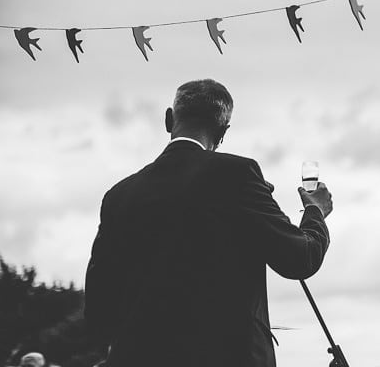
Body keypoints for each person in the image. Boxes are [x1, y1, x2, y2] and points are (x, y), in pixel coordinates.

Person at [84, 79, 333, 366]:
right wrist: (315, 213)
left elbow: (97, 308)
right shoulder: (238, 175)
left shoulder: (119, 195)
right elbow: (300, 258)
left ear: (169, 119)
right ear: (223, 131)